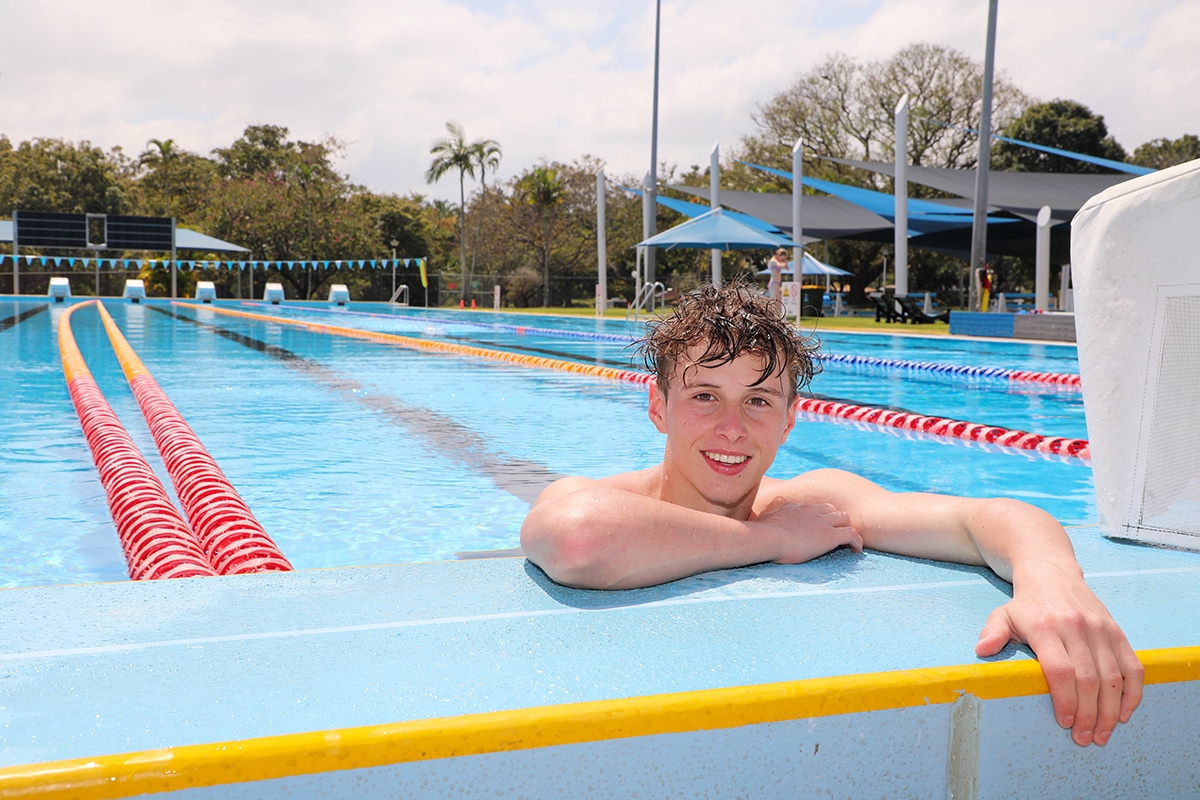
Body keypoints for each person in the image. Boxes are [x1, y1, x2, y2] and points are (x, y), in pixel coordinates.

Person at [521, 280, 1142, 749]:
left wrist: (1051, 584)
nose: (731, 429)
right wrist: (764, 540)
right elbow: (578, 538)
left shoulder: (812, 501)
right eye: (704, 396)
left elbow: (992, 517)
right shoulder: (624, 501)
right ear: (659, 406)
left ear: (791, 418)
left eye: (758, 401)